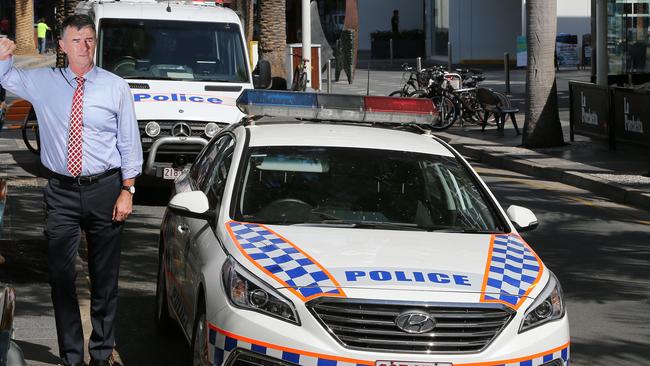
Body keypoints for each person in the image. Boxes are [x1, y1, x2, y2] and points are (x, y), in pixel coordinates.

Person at [0, 14, 142, 366]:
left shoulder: (114, 86)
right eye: (76, 40)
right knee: (61, 277)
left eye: (89, 40)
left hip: (106, 189)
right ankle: (72, 357)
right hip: (61, 192)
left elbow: (128, 141)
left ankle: (100, 352)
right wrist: (3, 53)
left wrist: (129, 189)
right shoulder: (42, 82)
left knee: (104, 278)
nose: (84, 46)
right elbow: (4, 76)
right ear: (61, 46)